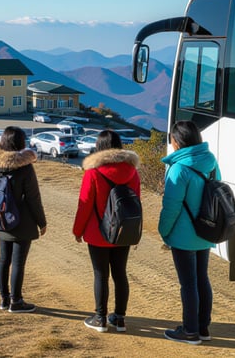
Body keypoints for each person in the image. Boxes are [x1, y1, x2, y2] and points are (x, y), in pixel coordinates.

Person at [72, 130, 141, 333]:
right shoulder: (132, 172)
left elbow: (84, 205)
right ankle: (119, 319)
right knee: (120, 273)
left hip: (97, 232)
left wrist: (78, 230)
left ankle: (100, 318)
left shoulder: (93, 172)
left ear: (98, 147)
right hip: (123, 231)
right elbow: (136, 203)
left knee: (100, 274)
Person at [158, 120, 219, 345]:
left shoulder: (178, 168)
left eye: (172, 139)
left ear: (177, 141)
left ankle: (190, 331)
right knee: (202, 279)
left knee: (188, 283)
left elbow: (171, 206)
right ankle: (203, 328)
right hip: (206, 230)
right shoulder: (211, 162)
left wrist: (164, 232)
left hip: (184, 236)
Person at [0, 126, 47, 313]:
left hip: (0, 216)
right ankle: (17, 301)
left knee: (3, 259)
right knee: (18, 262)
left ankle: (4, 299)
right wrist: (41, 222)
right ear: (20, 143)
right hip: (22, 221)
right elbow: (33, 198)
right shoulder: (25, 167)